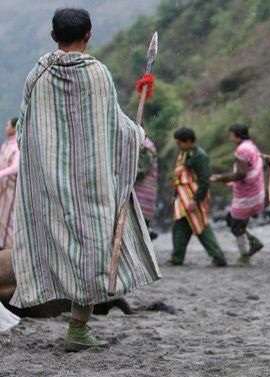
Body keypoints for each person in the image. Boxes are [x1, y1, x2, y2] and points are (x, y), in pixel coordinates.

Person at [10, 8, 160, 351]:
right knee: (93, 252)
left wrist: (48, 161)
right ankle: (78, 326)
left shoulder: (37, 74)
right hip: (92, 186)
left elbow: (24, 131)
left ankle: (72, 323)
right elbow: (113, 126)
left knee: (54, 243)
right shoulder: (98, 74)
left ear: (53, 37)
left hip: (50, 186)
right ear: (89, 35)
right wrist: (135, 135)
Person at [170, 127, 227, 267]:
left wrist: (195, 200)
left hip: (193, 196)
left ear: (188, 141)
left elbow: (204, 180)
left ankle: (218, 257)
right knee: (180, 225)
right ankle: (177, 258)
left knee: (200, 226)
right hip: (183, 197)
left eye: (179, 143)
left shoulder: (199, 156)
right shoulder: (185, 153)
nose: (178, 146)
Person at [210, 124, 265, 266]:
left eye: (231, 134)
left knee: (236, 225)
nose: (230, 137)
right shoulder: (251, 146)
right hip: (255, 192)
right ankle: (253, 242)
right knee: (233, 221)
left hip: (247, 196)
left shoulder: (242, 150)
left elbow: (241, 173)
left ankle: (245, 255)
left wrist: (221, 178)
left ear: (236, 135)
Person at [0, 118, 20, 249]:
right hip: (4, 188)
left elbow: (15, 168)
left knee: (10, 219)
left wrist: (1, 173)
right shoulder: (6, 144)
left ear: (14, 127)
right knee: (2, 218)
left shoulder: (17, 147)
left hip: (13, 190)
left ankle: (10, 249)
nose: (6, 127)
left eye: (8, 125)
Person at [135, 136, 159, 240]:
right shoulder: (145, 144)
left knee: (139, 232)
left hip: (141, 197)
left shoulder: (145, 146)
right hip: (143, 197)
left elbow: (141, 172)